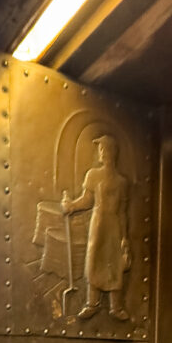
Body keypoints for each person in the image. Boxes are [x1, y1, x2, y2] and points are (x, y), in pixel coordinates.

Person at [61, 134, 131, 322]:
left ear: (111, 152)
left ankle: (116, 306)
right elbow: (87, 200)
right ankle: (92, 303)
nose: (101, 153)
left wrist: (124, 237)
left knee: (114, 262)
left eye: (103, 149)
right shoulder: (93, 175)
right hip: (98, 222)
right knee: (94, 259)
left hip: (114, 224)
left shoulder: (121, 182)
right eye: (100, 149)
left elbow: (123, 212)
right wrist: (71, 206)